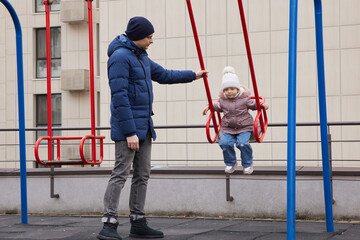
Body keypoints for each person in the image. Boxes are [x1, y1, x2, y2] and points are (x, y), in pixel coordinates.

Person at [97, 16, 208, 240]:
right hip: (128, 128)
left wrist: (193, 75)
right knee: (120, 174)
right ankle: (108, 224)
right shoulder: (120, 58)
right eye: (149, 37)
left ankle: (138, 222)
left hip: (145, 125)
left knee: (142, 175)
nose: (152, 40)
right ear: (137, 37)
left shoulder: (141, 57)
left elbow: (164, 75)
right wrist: (129, 132)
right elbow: (119, 98)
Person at [202, 66, 268, 175]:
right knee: (224, 143)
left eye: (232, 89)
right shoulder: (223, 101)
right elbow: (217, 106)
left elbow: (253, 105)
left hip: (244, 127)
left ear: (238, 89)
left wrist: (261, 105)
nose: (229, 92)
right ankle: (231, 163)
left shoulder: (244, 99)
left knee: (242, 144)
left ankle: (247, 164)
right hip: (228, 128)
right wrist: (209, 106)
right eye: (226, 90)